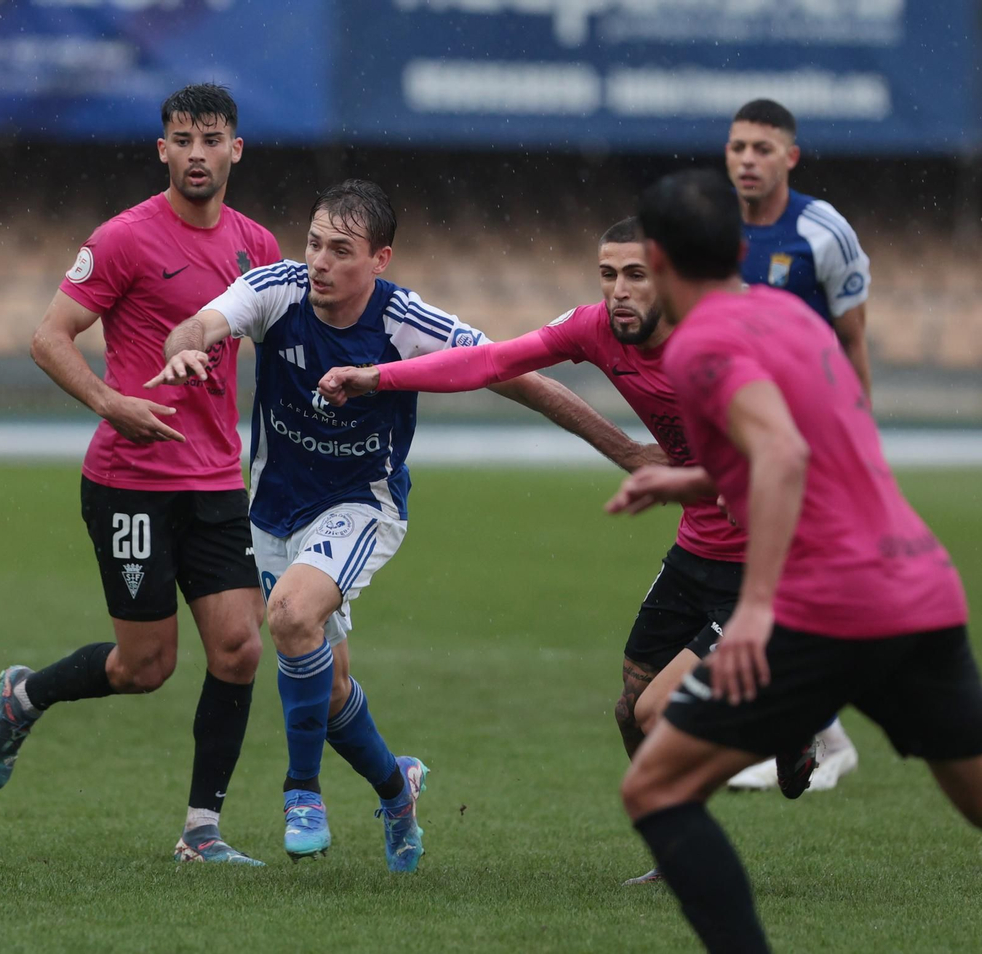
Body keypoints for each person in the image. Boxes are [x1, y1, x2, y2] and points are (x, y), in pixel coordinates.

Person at [609, 168, 982, 953]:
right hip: (920, 583)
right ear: (741, 250)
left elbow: (781, 455)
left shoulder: (699, 344)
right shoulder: (788, 312)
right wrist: (695, 480)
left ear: (661, 261)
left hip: (833, 603)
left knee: (656, 785)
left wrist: (756, 609)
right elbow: (811, 441)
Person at [147, 179, 652, 871]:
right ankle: (397, 789)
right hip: (274, 511)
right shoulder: (276, 289)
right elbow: (201, 324)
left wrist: (626, 451)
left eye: (340, 250)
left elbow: (521, 378)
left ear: (379, 259)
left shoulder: (406, 320)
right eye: (314, 243)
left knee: (290, 615)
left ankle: (301, 793)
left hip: (362, 504)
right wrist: (184, 348)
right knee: (326, 691)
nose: (320, 261)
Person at [319, 218, 815, 888]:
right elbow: (491, 361)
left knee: (659, 711)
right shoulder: (595, 329)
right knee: (630, 710)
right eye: (608, 275)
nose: (619, 291)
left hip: (772, 563)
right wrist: (379, 377)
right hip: (697, 550)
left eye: (636, 275)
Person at [0, 84, 280, 867]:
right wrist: (112, 403)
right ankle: (25, 695)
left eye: (211, 139)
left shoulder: (259, 246)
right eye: (182, 140)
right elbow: (49, 338)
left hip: (217, 481)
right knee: (145, 668)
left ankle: (201, 832)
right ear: (162, 149)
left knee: (240, 649)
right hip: (131, 482)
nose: (196, 154)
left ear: (236, 148)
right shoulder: (123, 239)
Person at [725, 97, 868, 790]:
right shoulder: (712, 230)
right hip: (739, 439)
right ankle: (820, 732)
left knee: (777, 582)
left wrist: (859, 442)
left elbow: (853, 341)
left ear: (791, 156)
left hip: (808, 440)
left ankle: (815, 734)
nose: (748, 160)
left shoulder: (823, 231)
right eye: (738, 147)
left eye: (762, 148)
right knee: (759, 581)